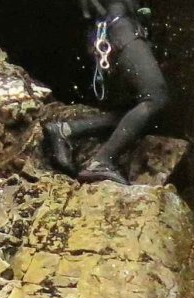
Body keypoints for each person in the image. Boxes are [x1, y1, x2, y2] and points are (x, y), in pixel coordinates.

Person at [43, 0, 168, 185]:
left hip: (117, 30)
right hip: (122, 29)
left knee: (139, 111)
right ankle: (102, 162)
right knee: (156, 98)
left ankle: (66, 130)